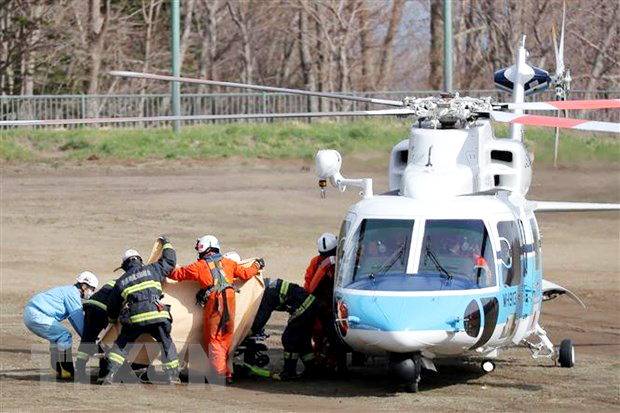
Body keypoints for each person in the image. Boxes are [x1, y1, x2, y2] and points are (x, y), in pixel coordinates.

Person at [167, 235, 263, 384]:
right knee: (225, 337)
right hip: (230, 300)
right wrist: (257, 265)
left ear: (203, 247)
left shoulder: (198, 267)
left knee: (214, 339)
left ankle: (220, 375)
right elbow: (246, 274)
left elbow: (176, 275)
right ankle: (226, 373)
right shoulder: (228, 263)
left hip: (215, 302)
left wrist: (163, 266)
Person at [102, 237, 180, 384]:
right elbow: (170, 261)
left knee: (122, 344)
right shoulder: (153, 269)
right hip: (157, 313)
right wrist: (167, 244)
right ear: (139, 260)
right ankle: (172, 376)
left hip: (135, 318)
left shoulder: (121, 281)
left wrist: (113, 321)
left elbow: (112, 306)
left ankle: (110, 374)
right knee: (166, 342)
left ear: (125, 265)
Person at [23, 271, 99, 380]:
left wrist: (85, 335)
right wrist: (89, 337)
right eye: (92, 289)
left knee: (56, 339)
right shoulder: (72, 294)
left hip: (32, 313)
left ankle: (57, 370)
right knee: (64, 336)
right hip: (37, 314)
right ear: (84, 286)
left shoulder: (69, 291)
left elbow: (74, 319)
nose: (91, 292)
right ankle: (67, 371)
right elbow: (78, 319)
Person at [251, 278, 329, 381]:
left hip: (303, 307)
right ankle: (312, 369)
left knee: (289, 339)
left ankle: (289, 372)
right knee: (303, 341)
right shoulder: (266, 284)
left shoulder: (266, 294)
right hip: (310, 304)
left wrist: (248, 333)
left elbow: (261, 319)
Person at [303, 233, 341, 373]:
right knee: (318, 333)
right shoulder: (316, 263)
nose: (326, 257)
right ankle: (319, 360)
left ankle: (331, 362)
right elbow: (309, 283)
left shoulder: (342, 262)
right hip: (319, 304)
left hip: (334, 304)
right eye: (324, 255)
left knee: (334, 335)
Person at [74, 279, 117, 382]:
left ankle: (79, 371)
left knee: (87, 339)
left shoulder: (116, 281)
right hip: (104, 309)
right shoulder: (134, 284)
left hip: (90, 306)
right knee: (109, 340)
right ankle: (103, 373)